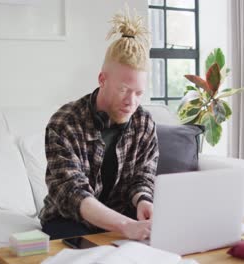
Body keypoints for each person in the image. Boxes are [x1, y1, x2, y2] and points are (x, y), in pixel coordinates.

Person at [39, 7, 159, 241]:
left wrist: (143, 200)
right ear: (102, 79)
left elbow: (142, 178)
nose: (131, 102)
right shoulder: (64, 123)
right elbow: (74, 194)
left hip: (124, 219)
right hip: (69, 221)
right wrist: (126, 226)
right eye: (124, 90)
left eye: (138, 93)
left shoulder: (144, 123)